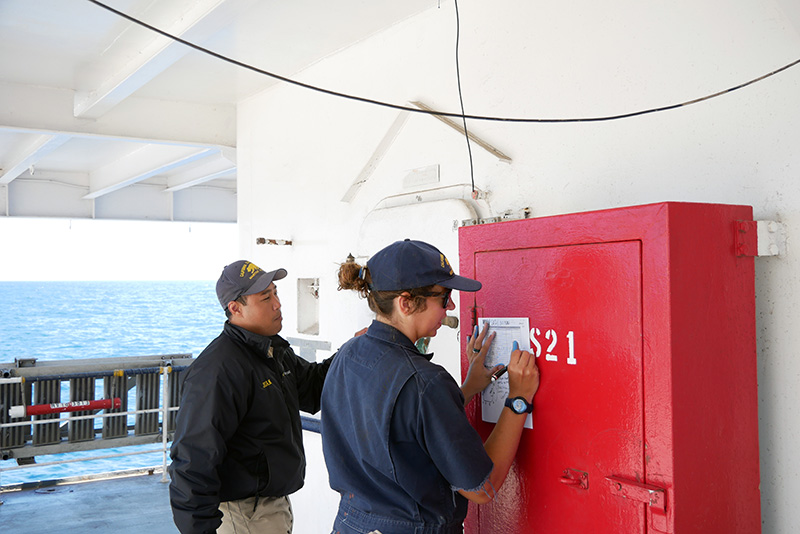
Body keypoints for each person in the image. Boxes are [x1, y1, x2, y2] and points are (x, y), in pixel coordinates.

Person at [321, 239, 540, 534]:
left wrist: (468, 388)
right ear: (407, 302)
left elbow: (399, 424)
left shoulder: (348, 354)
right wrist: (518, 398)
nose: (450, 306)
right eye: (443, 296)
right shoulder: (426, 381)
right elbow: (482, 489)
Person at [169, 260, 334, 534]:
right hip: (242, 515)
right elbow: (193, 459)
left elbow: (314, 388)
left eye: (276, 293)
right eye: (266, 297)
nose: (278, 304)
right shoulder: (219, 369)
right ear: (235, 308)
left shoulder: (272, 352)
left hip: (268, 509)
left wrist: (356, 349)